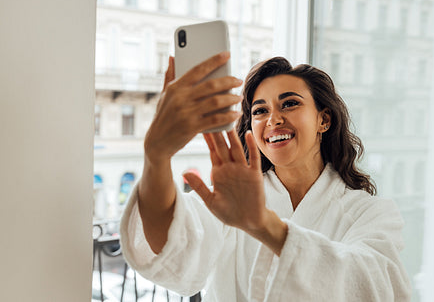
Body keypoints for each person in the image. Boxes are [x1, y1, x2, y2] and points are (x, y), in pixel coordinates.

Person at [120, 52, 411, 301]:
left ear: (324, 119)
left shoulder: (369, 213)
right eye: (260, 111)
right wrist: (156, 156)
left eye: (290, 104)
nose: (273, 119)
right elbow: (169, 243)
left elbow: (372, 287)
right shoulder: (231, 200)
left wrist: (261, 223)